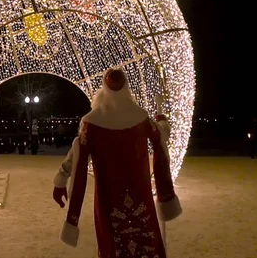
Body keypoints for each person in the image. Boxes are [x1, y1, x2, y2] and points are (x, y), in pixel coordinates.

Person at [53, 68, 181, 257]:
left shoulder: (92, 122)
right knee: (144, 240)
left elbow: (76, 153)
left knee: (113, 243)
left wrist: (61, 179)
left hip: (108, 198)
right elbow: (162, 136)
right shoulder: (140, 118)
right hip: (140, 196)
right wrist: (160, 116)